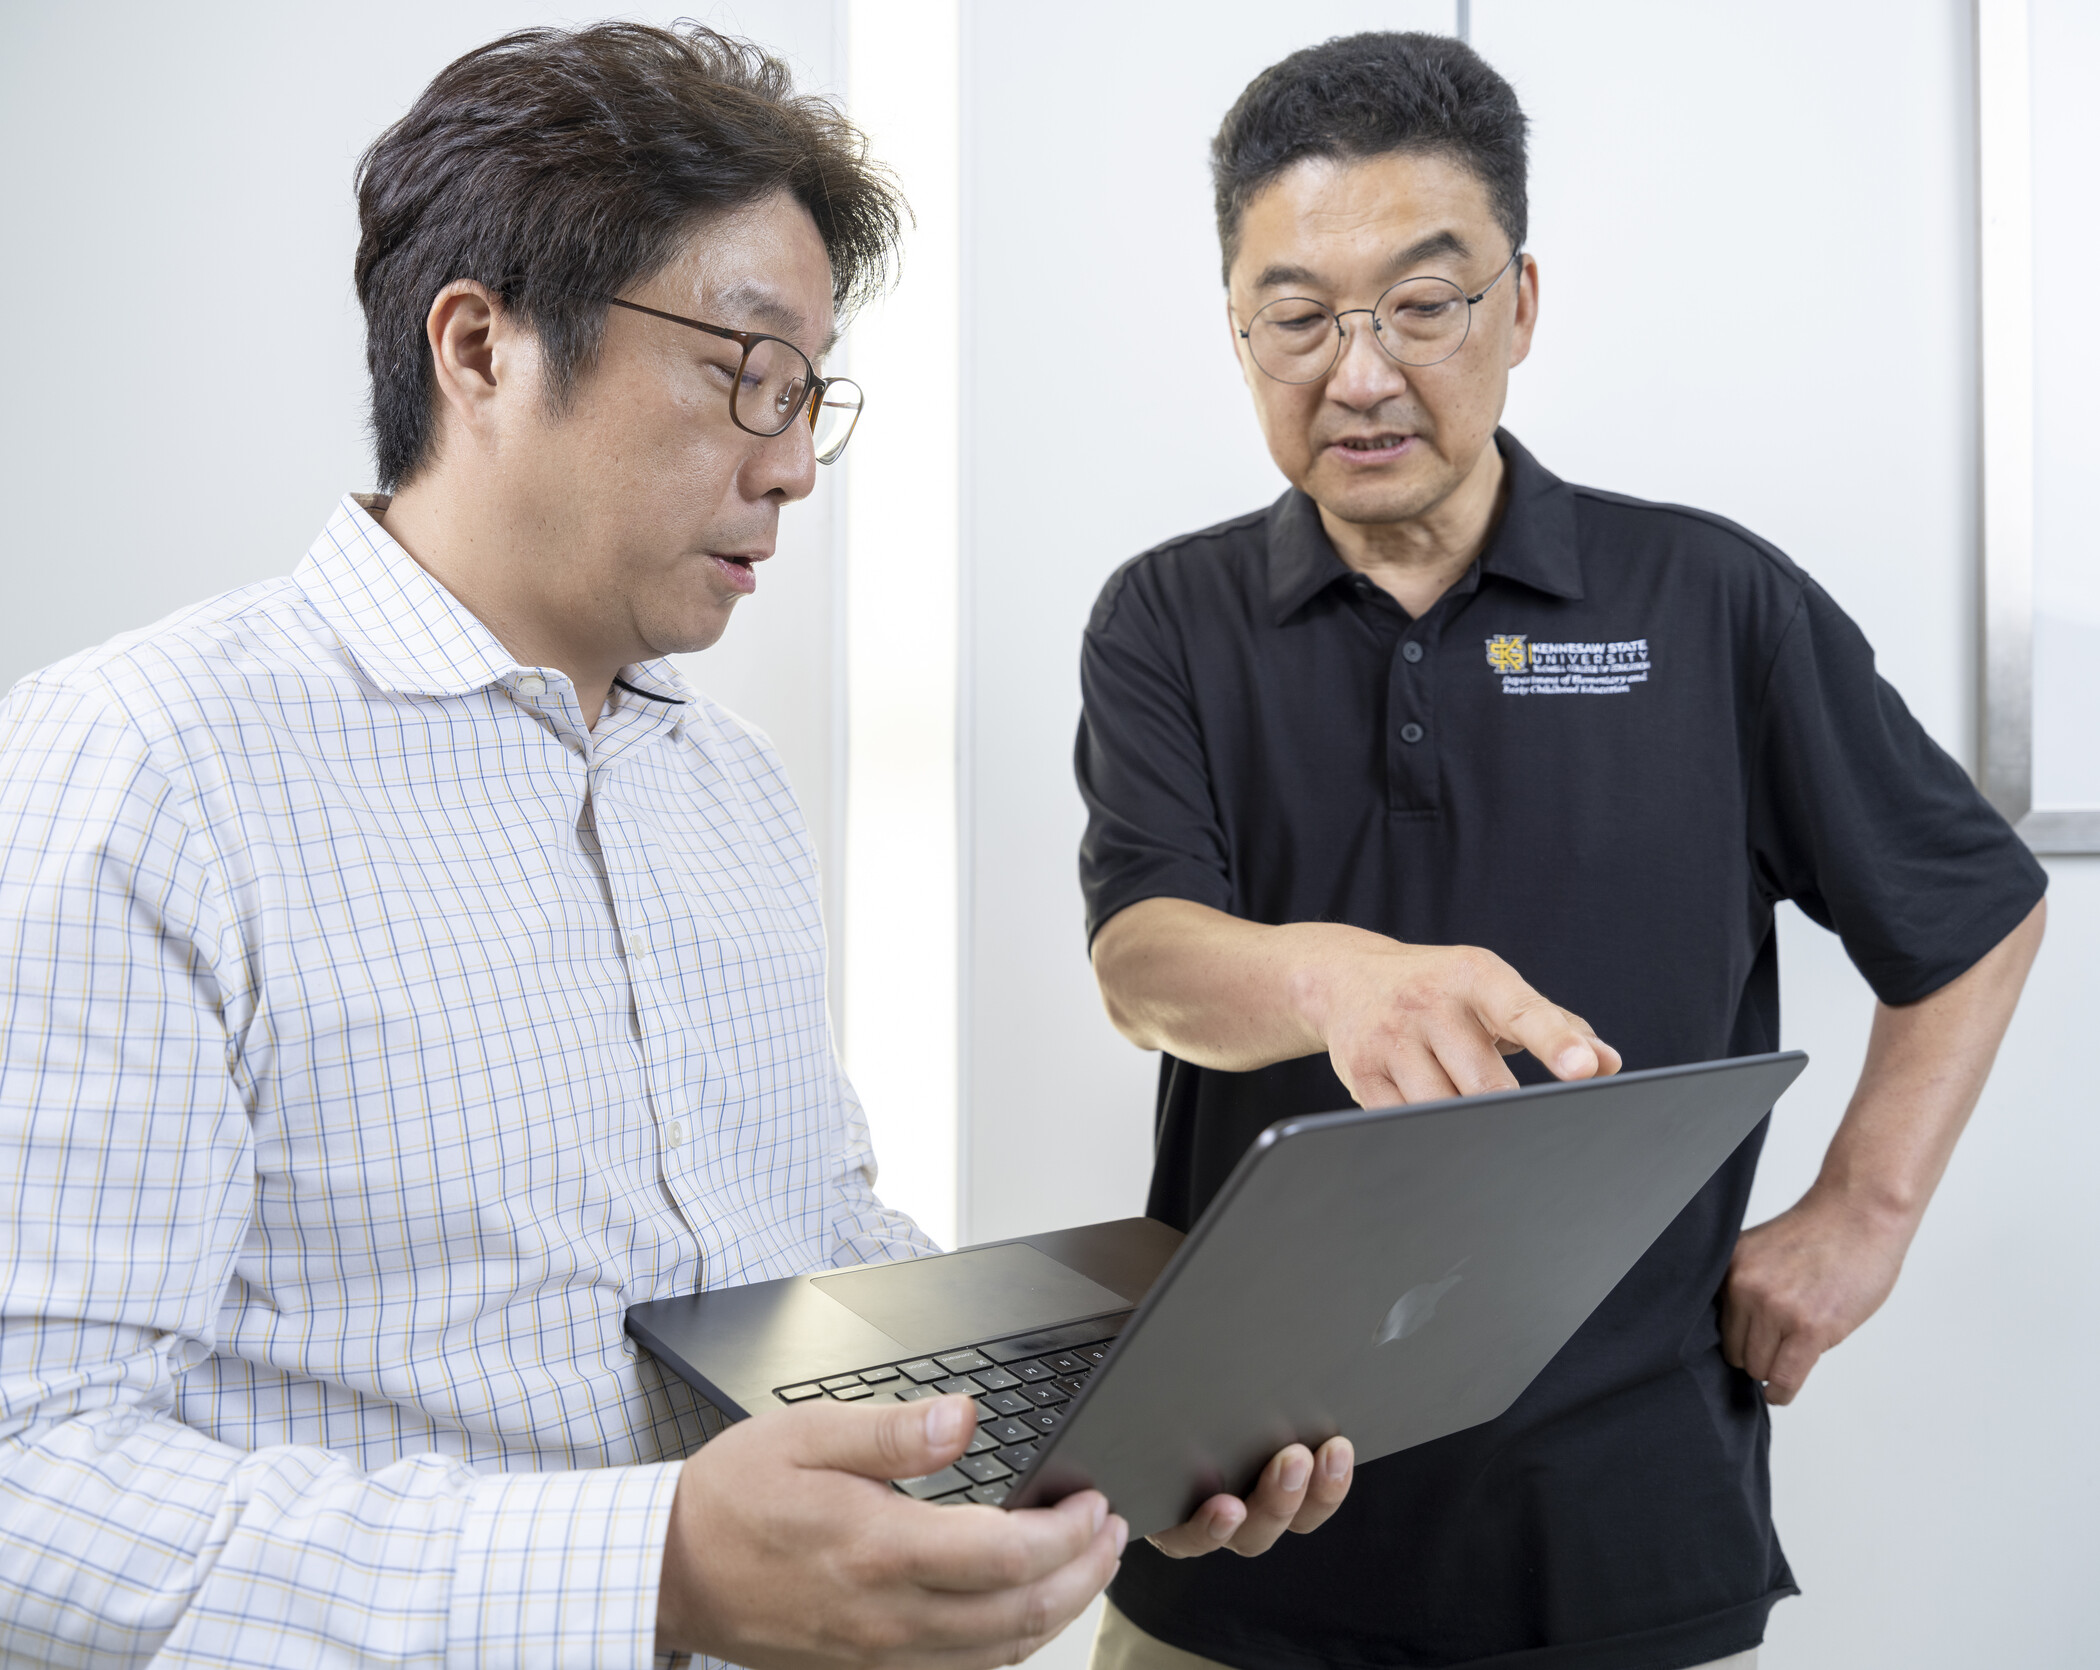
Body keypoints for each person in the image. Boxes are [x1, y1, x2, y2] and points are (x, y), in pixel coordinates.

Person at [0, 25, 1351, 1669]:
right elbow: (35, 1479)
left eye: (809, 395)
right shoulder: (145, 765)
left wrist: (1127, 1409)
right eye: (741, 371)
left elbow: (808, 1246)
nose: (789, 464)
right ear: (482, 348)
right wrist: (646, 1565)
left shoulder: (726, 788)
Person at [1075, 30, 2046, 1670]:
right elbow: (1143, 959)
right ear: (1237, 329)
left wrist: (1867, 1205)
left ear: (1520, 305)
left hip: (1616, 1518)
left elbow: (1970, 908)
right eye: (1297, 317)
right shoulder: (1168, 615)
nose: (1360, 372)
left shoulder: (1711, 602)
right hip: (1230, 1519)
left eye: (1423, 303)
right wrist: (1343, 981)